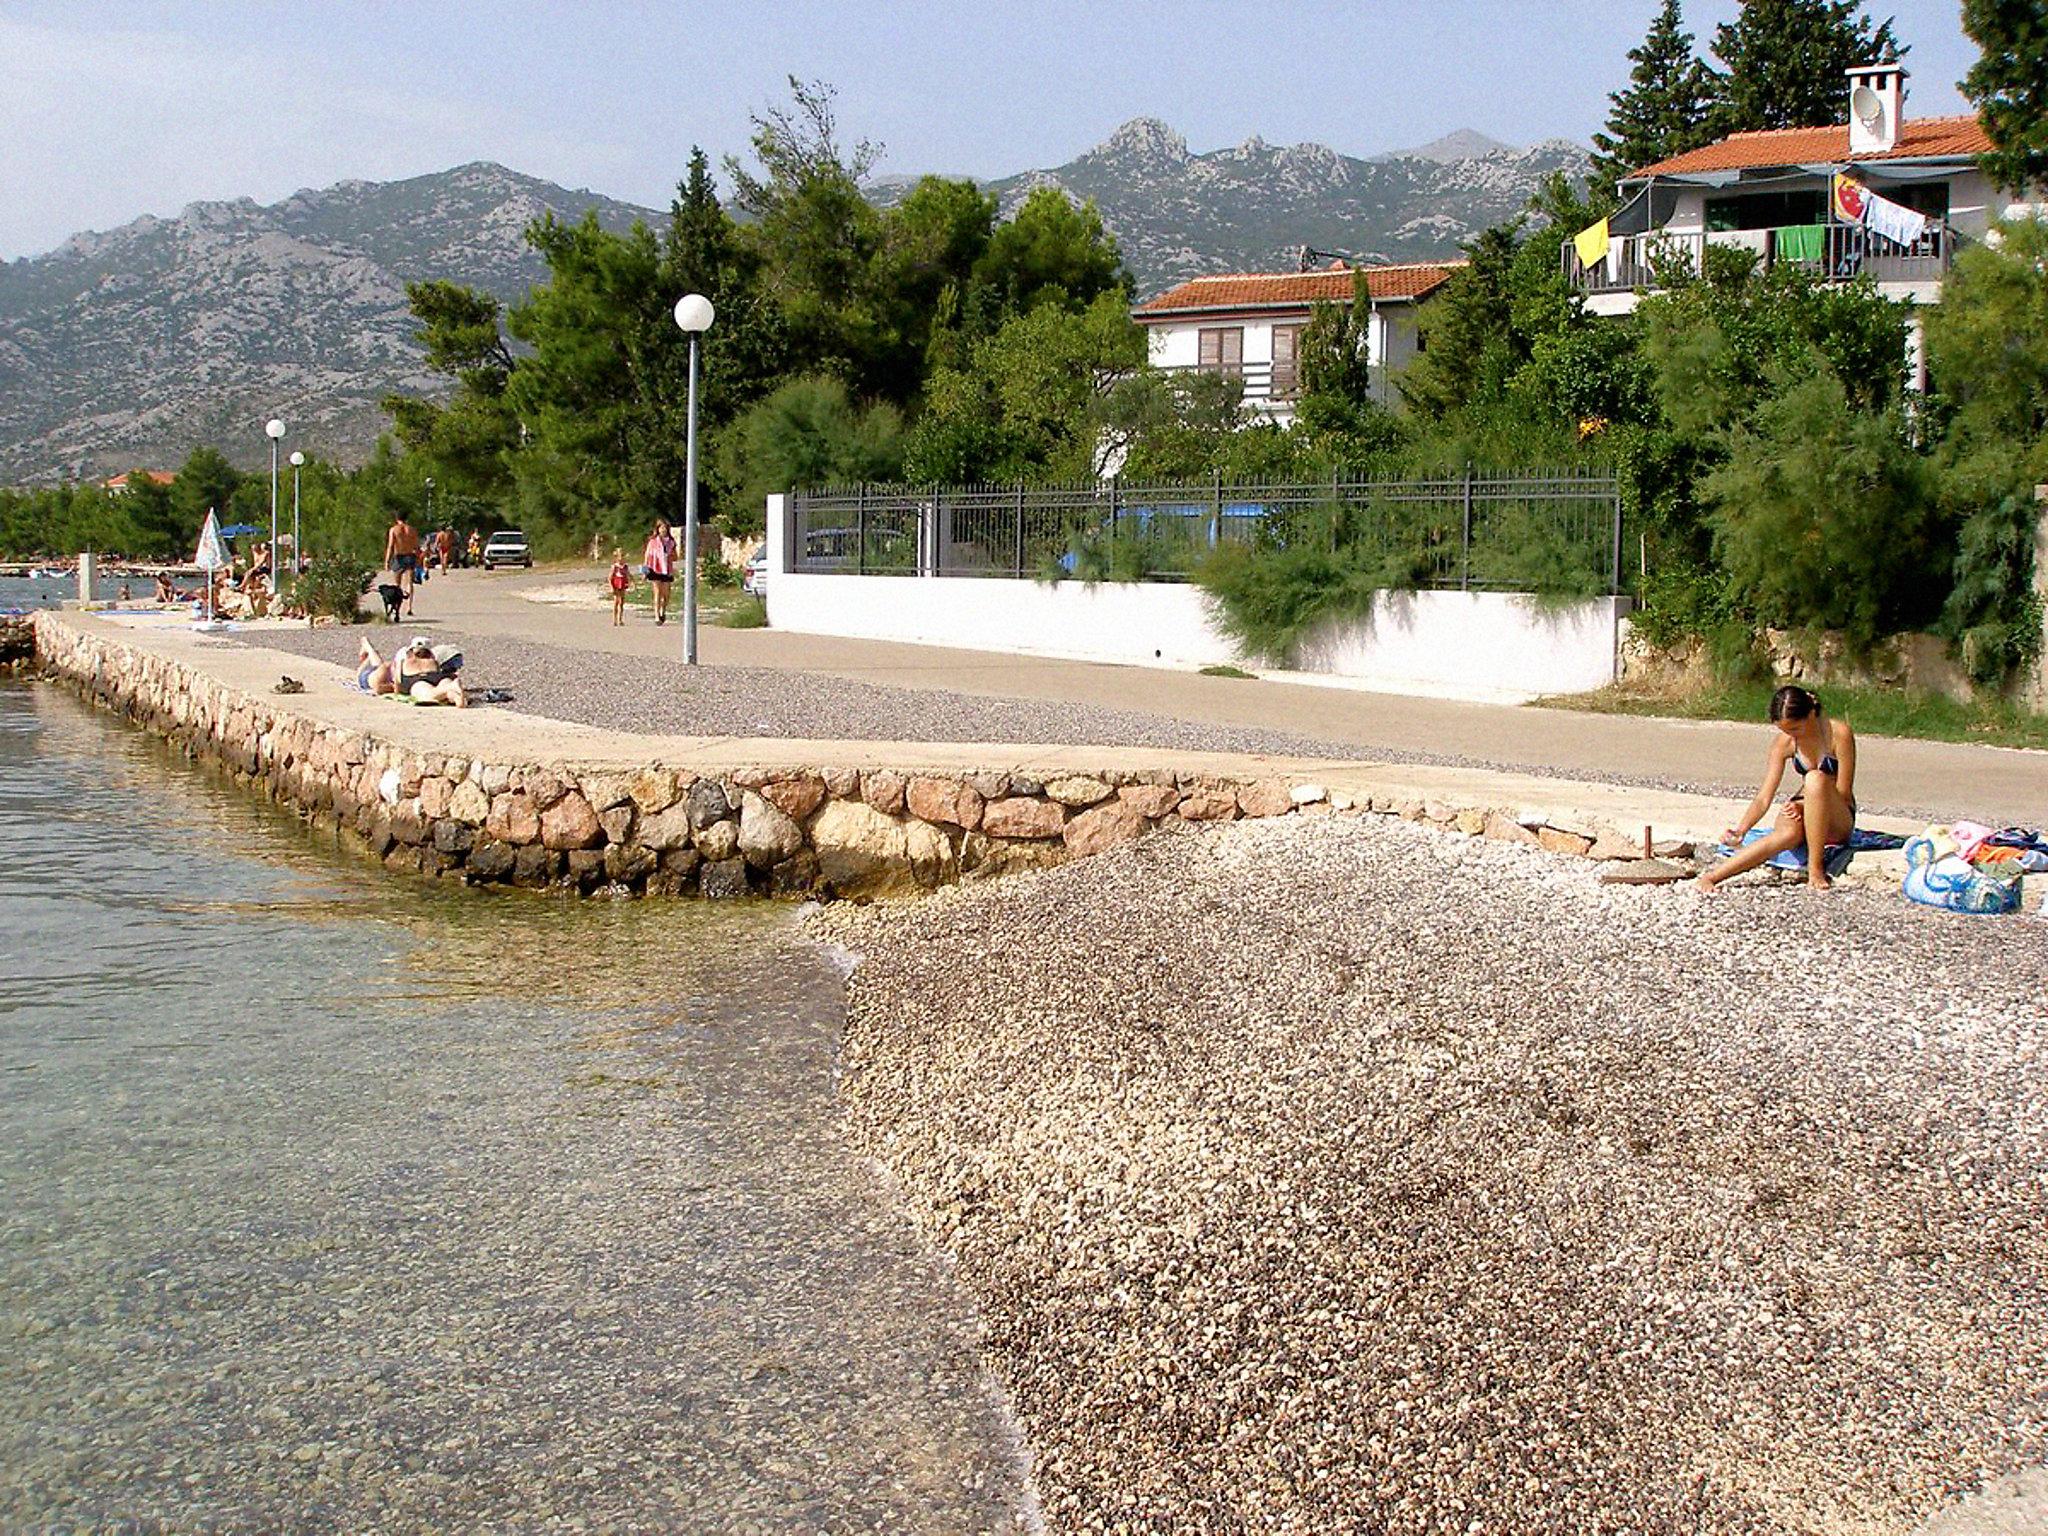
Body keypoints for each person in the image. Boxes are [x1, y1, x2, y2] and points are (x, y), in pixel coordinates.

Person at [1698, 685, 1857, 893]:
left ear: (1811, 714)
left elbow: (1843, 792)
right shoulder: (1785, 743)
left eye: (1795, 729)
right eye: (1784, 730)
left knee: (1816, 778)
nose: (1791, 735)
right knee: (1787, 833)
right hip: (1804, 802)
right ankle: (1713, 877)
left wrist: (1805, 806)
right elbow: (1764, 797)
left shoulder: (1838, 733)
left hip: (1837, 814)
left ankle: (1815, 869)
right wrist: (1741, 830)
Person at [385, 514, 422, 616]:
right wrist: (419, 560)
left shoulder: (394, 530)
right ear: (407, 519)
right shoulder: (412, 530)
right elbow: (417, 547)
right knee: (409, 583)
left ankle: (397, 607)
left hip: (398, 557)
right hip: (410, 556)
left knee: (397, 585)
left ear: (397, 519)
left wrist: (387, 561)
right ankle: (409, 607)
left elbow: (391, 546)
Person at [643, 518, 677, 625]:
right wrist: (645, 571)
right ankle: (657, 616)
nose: (663, 530)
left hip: (667, 569)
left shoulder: (671, 542)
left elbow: (676, 557)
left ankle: (663, 609)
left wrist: (670, 555)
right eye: (661, 528)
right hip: (655, 568)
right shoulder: (652, 542)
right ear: (657, 529)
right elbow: (647, 556)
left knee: (666, 594)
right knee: (657, 593)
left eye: (665, 528)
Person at [608, 547, 630, 627]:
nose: (621, 559)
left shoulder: (625, 566)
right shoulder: (615, 566)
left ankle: (620, 619)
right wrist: (611, 587)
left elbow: (628, 575)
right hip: (616, 585)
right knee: (616, 602)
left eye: (623, 557)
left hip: (623, 584)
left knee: (621, 602)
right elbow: (610, 577)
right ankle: (614, 619)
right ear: (617, 558)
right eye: (620, 557)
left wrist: (632, 583)